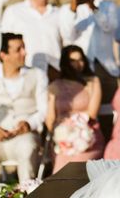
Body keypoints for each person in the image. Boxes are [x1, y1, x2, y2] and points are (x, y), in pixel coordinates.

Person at [0, 33, 48, 183]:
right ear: (3, 55)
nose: (25, 52)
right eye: (18, 49)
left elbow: (44, 109)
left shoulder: (38, 75)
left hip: (24, 137)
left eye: (24, 48)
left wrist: (29, 124)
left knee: (28, 146)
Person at [59, 0, 118, 140]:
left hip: (105, 68)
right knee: (84, 114)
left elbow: (110, 27)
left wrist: (93, 6)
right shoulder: (66, 10)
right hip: (80, 70)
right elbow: (67, 35)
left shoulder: (107, 5)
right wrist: (73, 8)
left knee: (108, 114)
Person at [45, 45, 104, 173]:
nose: (78, 64)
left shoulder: (92, 82)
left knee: (76, 168)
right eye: (73, 61)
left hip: (88, 134)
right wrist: (61, 133)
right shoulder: (55, 86)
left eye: (80, 59)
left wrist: (74, 127)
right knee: (60, 169)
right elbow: (50, 119)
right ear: (65, 63)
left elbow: (92, 113)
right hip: (63, 138)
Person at [1, 0, 62, 78]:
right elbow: (4, 43)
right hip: (25, 74)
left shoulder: (59, 13)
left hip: (55, 74)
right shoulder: (14, 11)